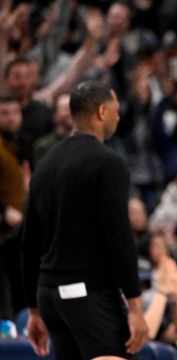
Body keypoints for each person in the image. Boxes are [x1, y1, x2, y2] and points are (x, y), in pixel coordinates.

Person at [21, 80, 149, 359]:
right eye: (115, 110)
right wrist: (136, 307)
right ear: (102, 112)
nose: (118, 115)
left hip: (50, 296)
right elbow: (119, 237)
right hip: (88, 292)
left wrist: (33, 308)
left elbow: (28, 239)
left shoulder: (45, 163)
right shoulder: (108, 162)